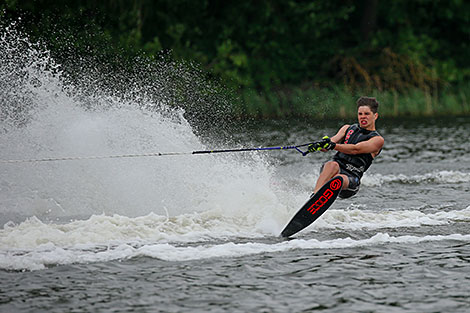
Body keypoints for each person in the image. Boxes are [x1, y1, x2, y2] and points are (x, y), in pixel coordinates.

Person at [308, 96, 385, 199]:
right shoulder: (347, 128)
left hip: (350, 180)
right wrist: (320, 145)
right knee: (331, 165)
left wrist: (333, 146)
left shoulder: (377, 140)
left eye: (367, 114)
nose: (363, 117)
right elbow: (331, 142)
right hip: (333, 169)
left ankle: (322, 193)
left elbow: (355, 149)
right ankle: (314, 197)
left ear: (375, 116)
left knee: (338, 179)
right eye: (360, 114)